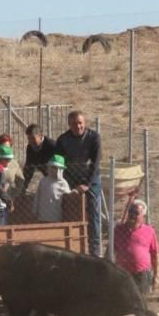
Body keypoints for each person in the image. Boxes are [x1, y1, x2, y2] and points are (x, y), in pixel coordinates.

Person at [55, 110, 102, 256]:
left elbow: (96, 162)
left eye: (80, 123)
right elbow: (59, 162)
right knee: (71, 210)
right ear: (69, 124)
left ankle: (95, 250)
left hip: (91, 179)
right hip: (71, 180)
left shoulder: (94, 137)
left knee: (93, 213)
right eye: (74, 123)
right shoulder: (63, 140)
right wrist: (66, 184)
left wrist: (87, 184)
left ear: (85, 123)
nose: (78, 126)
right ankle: (73, 248)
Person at [112, 200, 159, 296]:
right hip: (124, 273)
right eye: (130, 211)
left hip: (142, 274)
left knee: (142, 300)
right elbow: (110, 251)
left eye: (136, 213)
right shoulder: (118, 230)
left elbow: (155, 254)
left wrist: (157, 276)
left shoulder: (149, 231)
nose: (132, 215)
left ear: (143, 216)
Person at [33, 154, 73, 222]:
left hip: (56, 215)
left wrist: (73, 192)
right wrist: (35, 210)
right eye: (52, 167)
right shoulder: (43, 181)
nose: (54, 170)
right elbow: (37, 196)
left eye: (56, 168)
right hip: (43, 215)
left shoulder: (63, 183)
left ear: (61, 170)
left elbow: (68, 195)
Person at [22, 124, 57, 190]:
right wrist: (23, 188)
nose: (30, 141)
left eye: (33, 138)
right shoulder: (30, 148)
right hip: (48, 177)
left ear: (41, 136)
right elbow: (29, 169)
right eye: (29, 139)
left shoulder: (52, 146)